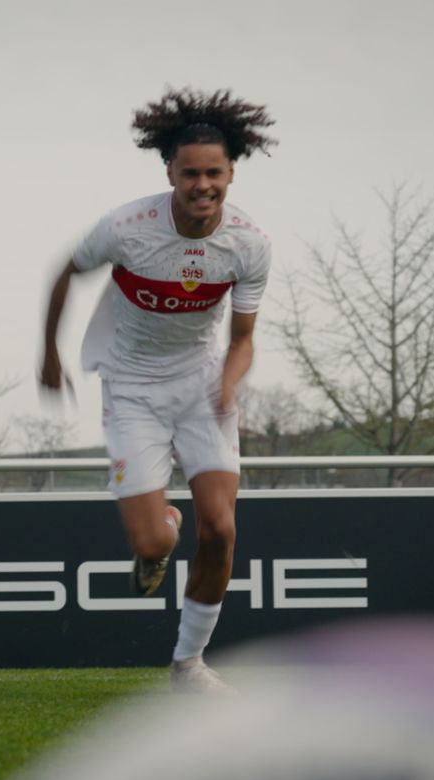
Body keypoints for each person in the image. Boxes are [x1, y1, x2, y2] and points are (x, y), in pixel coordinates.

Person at [40, 88, 275, 691]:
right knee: (153, 540)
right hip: (131, 385)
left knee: (221, 529)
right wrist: (49, 351)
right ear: (168, 171)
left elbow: (243, 338)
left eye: (214, 173)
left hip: (200, 386)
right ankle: (157, 533)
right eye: (190, 172)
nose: (203, 185)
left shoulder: (248, 245)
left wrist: (228, 380)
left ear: (231, 173)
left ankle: (188, 665)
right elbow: (66, 272)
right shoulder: (125, 228)